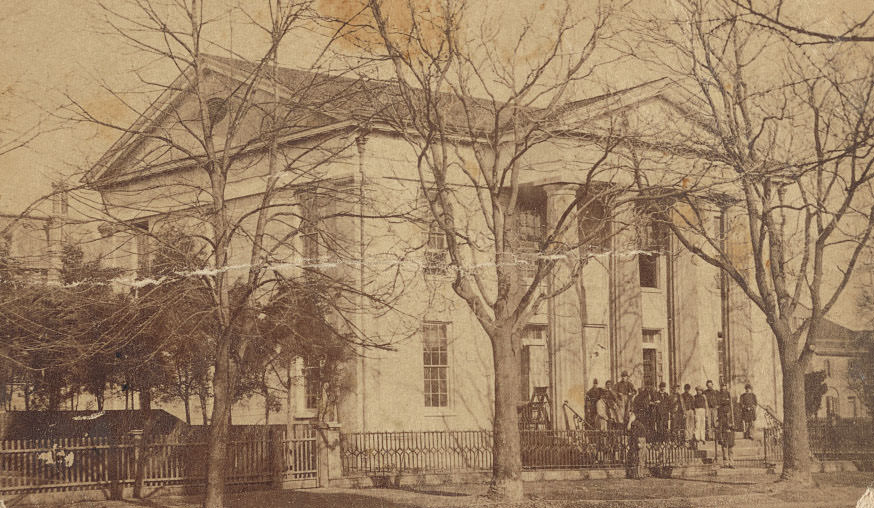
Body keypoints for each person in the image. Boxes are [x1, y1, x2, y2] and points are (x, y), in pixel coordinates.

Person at [716, 381, 735, 467]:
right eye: (722, 386)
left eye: (725, 386)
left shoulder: (731, 414)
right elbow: (720, 424)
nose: (723, 387)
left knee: (730, 447)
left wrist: (731, 424)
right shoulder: (721, 414)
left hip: (730, 431)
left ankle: (731, 462)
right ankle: (726, 462)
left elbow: (733, 424)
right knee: (724, 446)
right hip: (723, 430)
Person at [626, 409, 647, 479]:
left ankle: (640, 473)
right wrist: (638, 443)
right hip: (639, 440)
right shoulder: (634, 424)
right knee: (640, 458)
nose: (630, 416)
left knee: (641, 457)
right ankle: (639, 474)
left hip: (641, 440)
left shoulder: (636, 423)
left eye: (631, 415)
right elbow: (634, 434)